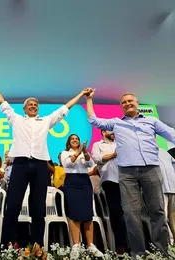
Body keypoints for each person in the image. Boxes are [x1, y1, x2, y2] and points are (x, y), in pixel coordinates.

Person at [0, 74, 90, 246]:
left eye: (36, 105)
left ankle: (37, 246)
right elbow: (2, 103)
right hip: (20, 165)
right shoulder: (16, 119)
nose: (34, 106)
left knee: (38, 208)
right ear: (24, 109)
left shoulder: (46, 121)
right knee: (12, 206)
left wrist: (81, 95)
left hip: (40, 166)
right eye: (30, 105)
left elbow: (64, 109)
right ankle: (6, 245)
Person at [86, 89, 175, 258]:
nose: (127, 104)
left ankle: (162, 252)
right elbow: (94, 120)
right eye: (124, 102)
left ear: (137, 103)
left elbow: (172, 135)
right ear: (121, 107)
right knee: (130, 213)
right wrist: (89, 99)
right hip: (127, 173)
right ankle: (138, 253)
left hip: (151, 169)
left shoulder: (152, 121)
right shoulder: (117, 123)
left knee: (157, 210)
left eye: (130, 101)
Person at [61, 134, 103, 259]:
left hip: (84, 182)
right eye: (72, 139)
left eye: (77, 139)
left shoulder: (84, 153)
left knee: (87, 213)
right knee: (74, 214)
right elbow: (68, 164)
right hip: (72, 182)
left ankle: (90, 244)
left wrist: (84, 152)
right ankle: (76, 245)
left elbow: (90, 163)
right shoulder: (65, 153)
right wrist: (77, 152)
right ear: (69, 142)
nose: (75, 140)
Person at [91, 129, 127, 253]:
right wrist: (113, 155)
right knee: (117, 214)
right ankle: (120, 246)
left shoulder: (120, 143)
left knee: (131, 213)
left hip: (127, 180)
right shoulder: (97, 145)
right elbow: (96, 158)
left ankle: (135, 245)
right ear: (103, 132)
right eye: (109, 130)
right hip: (110, 181)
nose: (113, 132)